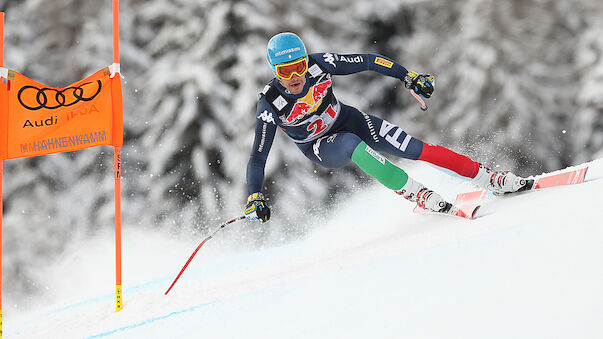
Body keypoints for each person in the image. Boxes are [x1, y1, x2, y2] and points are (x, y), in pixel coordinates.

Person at [244, 32, 529, 222]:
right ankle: (416, 192)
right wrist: (255, 193)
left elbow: (368, 61)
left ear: (307, 61)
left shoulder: (321, 64)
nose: (295, 76)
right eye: (285, 71)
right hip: (320, 146)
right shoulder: (271, 104)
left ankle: (487, 178)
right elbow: (258, 156)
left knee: (415, 148)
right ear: (274, 70)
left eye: (299, 66)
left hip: (349, 119)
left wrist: (409, 77)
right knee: (352, 146)